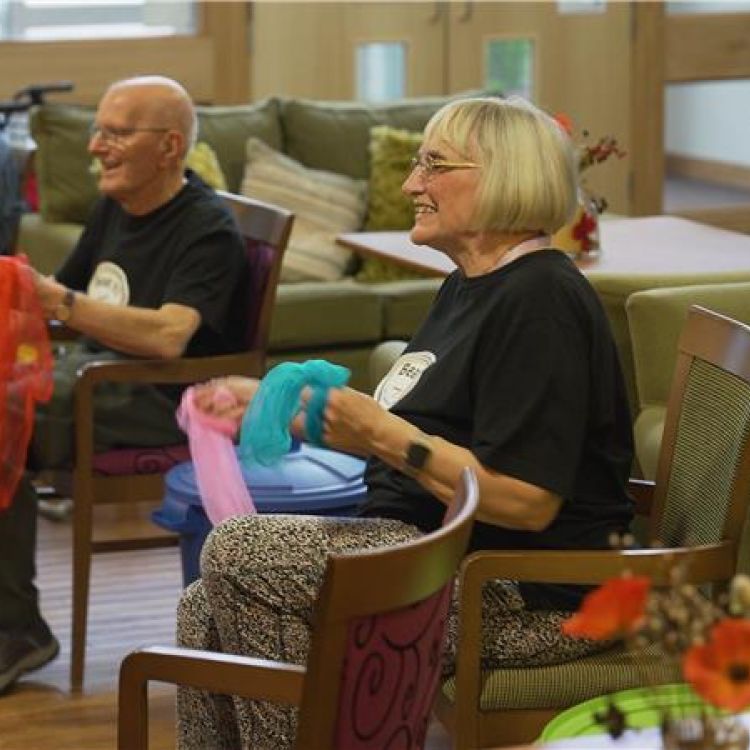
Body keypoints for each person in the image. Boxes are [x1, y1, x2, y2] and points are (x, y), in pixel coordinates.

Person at [175, 95, 634, 749]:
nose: (410, 184)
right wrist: (282, 408)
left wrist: (381, 431)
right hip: (433, 555)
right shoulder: (470, 286)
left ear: (504, 175)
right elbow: (420, 428)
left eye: (433, 166)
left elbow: (525, 501)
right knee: (203, 604)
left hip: (519, 590)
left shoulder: (542, 301)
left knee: (240, 551)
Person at [0, 75, 250, 693]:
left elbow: (169, 336)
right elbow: (63, 301)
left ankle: (18, 631)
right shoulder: (117, 205)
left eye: (115, 133)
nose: (95, 147)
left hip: (161, 399)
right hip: (94, 378)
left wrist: (58, 300)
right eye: (98, 130)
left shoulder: (207, 228)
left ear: (168, 147)